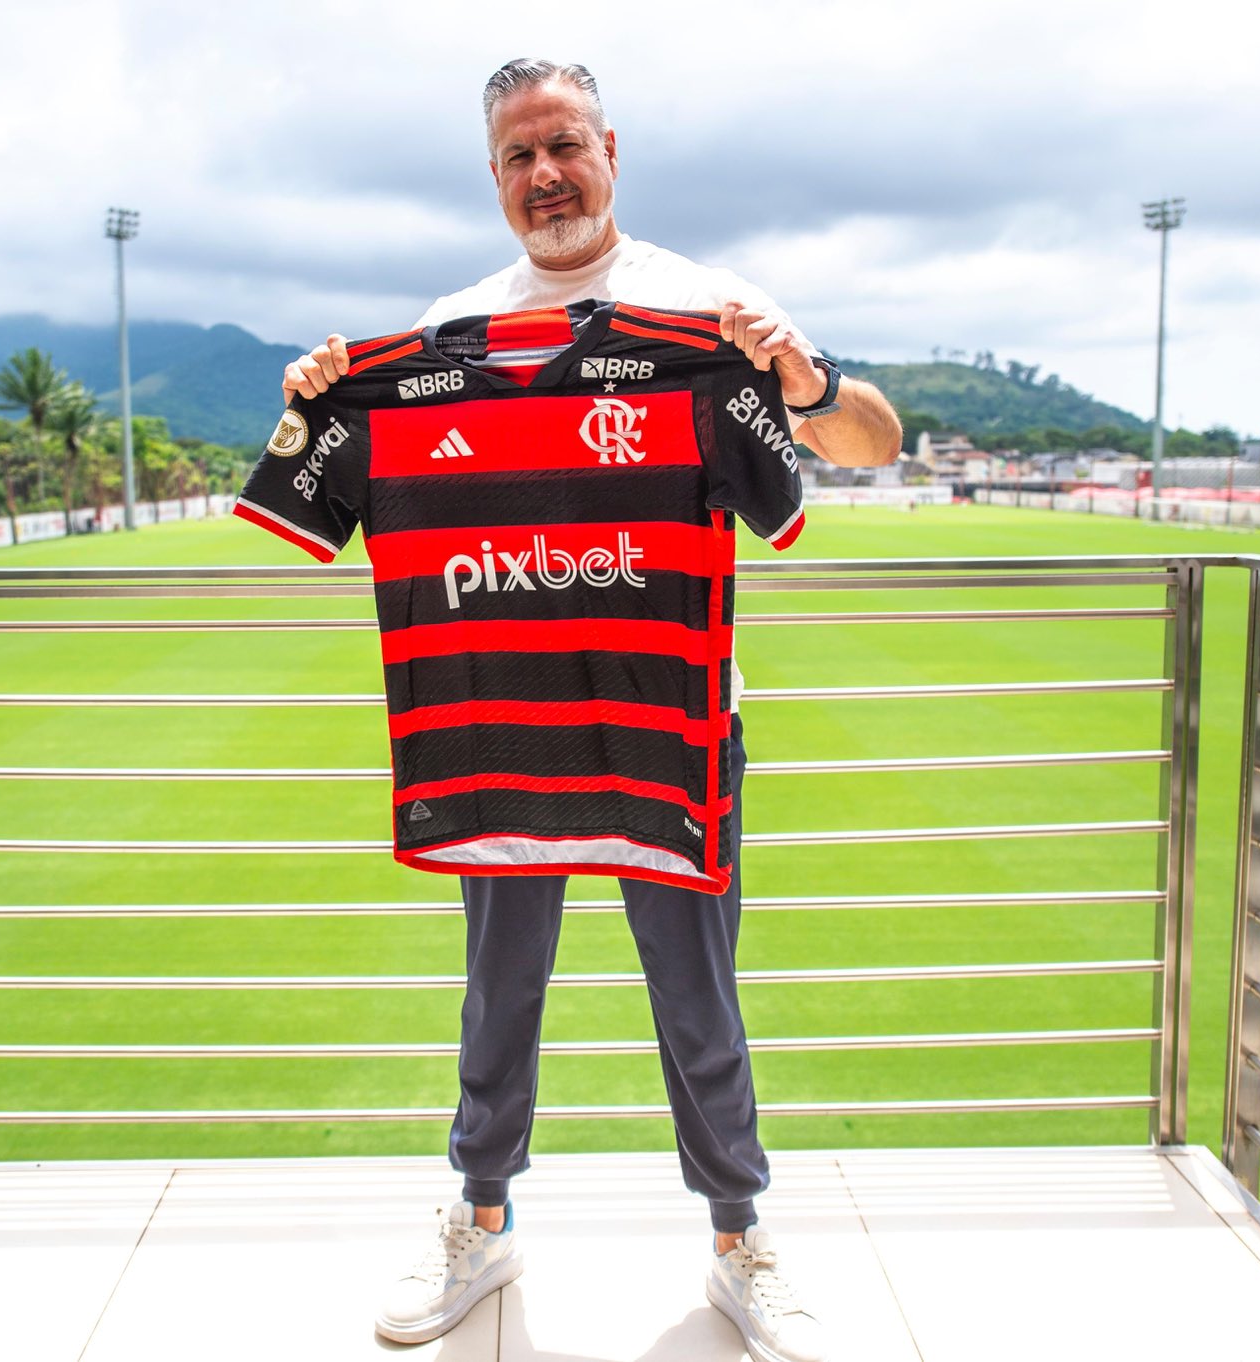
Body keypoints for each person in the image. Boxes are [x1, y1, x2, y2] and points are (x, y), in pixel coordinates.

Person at [280, 59, 901, 1362]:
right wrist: (316, 399)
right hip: (500, 724)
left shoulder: (705, 314)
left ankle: (743, 1237)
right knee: (497, 991)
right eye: (518, 155)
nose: (545, 174)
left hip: (674, 728)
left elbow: (870, 445)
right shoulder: (437, 340)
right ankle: (480, 1215)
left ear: (609, 148)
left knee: (700, 995)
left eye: (563, 144)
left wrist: (791, 371)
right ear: (494, 175)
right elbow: (319, 506)